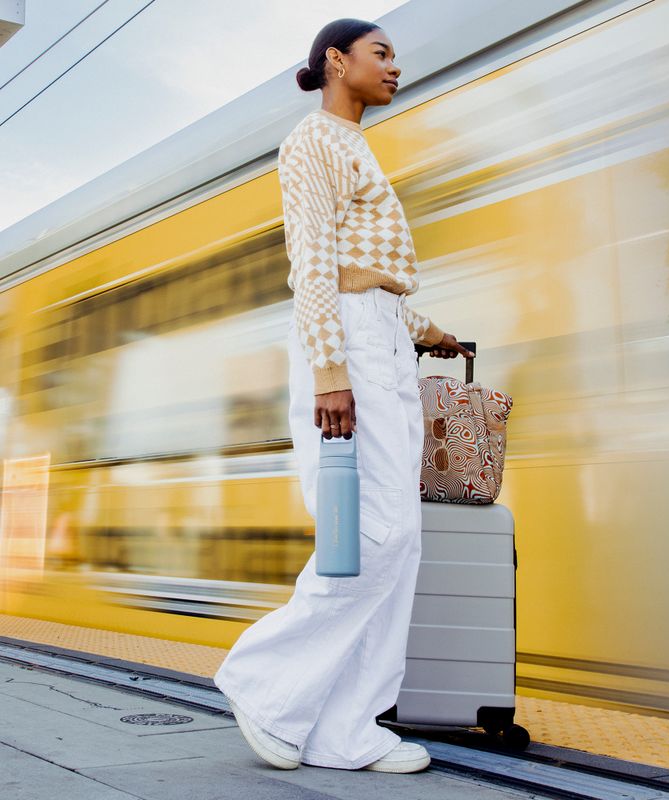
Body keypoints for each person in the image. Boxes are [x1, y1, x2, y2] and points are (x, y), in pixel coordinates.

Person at [213, 18, 473, 774]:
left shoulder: (357, 146)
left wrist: (427, 330)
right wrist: (331, 371)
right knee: (369, 536)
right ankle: (265, 685)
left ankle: (345, 728)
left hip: (382, 334)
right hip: (351, 348)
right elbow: (315, 266)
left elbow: (370, 275)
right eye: (380, 54)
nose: (396, 67)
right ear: (336, 60)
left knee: (402, 540)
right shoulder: (313, 142)